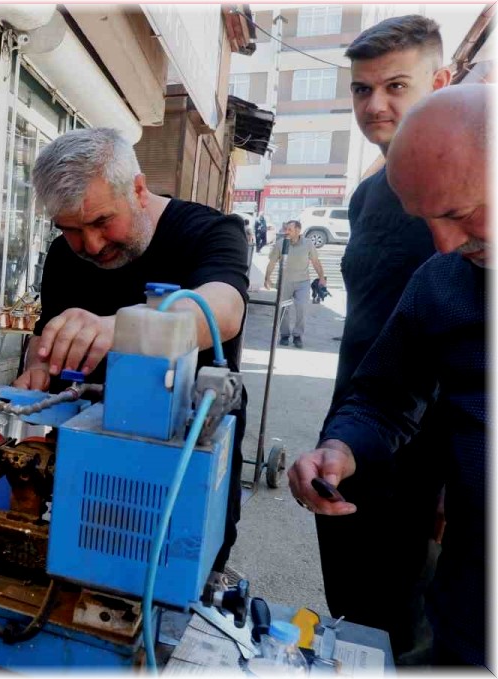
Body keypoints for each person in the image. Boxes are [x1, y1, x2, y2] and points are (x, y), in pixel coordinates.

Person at [290, 84, 488, 667]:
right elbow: (384, 396)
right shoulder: (442, 282)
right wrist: (341, 446)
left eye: (458, 213)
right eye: (426, 220)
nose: (444, 243)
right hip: (466, 622)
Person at [13, 127, 249, 576]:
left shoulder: (209, 233)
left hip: (179, 467)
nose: (92, 246)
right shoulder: (66, 256)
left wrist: (116, 328)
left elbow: (224, 310)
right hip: (85, 469)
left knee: (173, 588)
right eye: (71, 230)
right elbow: (46, 341)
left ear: (138, 189)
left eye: (103, 222)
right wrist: (39, 367)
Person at [314, 15, 453, 660]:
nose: (377, 105)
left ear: (441, 82)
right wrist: (340, 435)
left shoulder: (474, 192)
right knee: (352, 620)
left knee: (412, 639)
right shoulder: (371, 194)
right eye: (362, 90)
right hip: (358, 428)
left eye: (397, 86)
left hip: (432, 466)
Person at [261, 220, 327, 349]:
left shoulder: (308, 244)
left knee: (301, 307)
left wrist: (321, 278)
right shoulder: (281, 244)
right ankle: (284, 335)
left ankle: (298, 335)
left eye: (289, 230)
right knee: (283, 308)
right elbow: (272, 262)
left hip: (303, 282)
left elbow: (315, 261)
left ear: (298, 230)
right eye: (286, 229)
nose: (286, 232)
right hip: (285, 282)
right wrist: (267, 278)